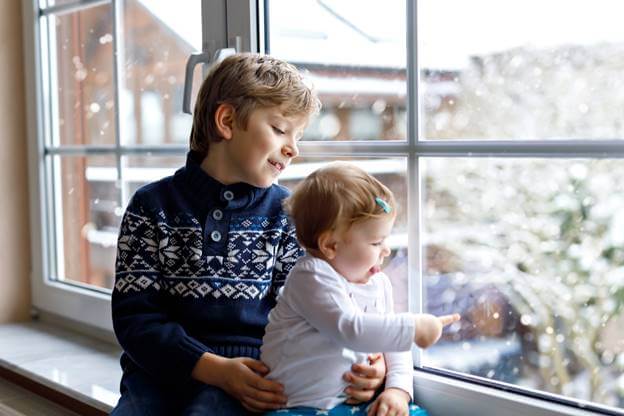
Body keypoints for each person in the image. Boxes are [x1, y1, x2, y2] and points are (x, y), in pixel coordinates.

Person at [110, 53, 387, 415]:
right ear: (226, 121)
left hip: (258, 378)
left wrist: (373, 366)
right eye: (279, 129)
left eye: (298, 135)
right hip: (159, 377)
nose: (293, 148)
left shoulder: (291, 216)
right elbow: (136, 321)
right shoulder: (151, 207)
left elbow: (323, 310)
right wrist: (214, 369)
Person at [261, 163, 461, 416]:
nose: (386, 251)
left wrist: (397, 390)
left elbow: (393, 346)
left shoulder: (379, 284)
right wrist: (414, 328)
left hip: (351, 406)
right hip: (296, 408)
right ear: (330, 245)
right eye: (377, 242)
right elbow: (350, 329)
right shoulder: (310, 276)